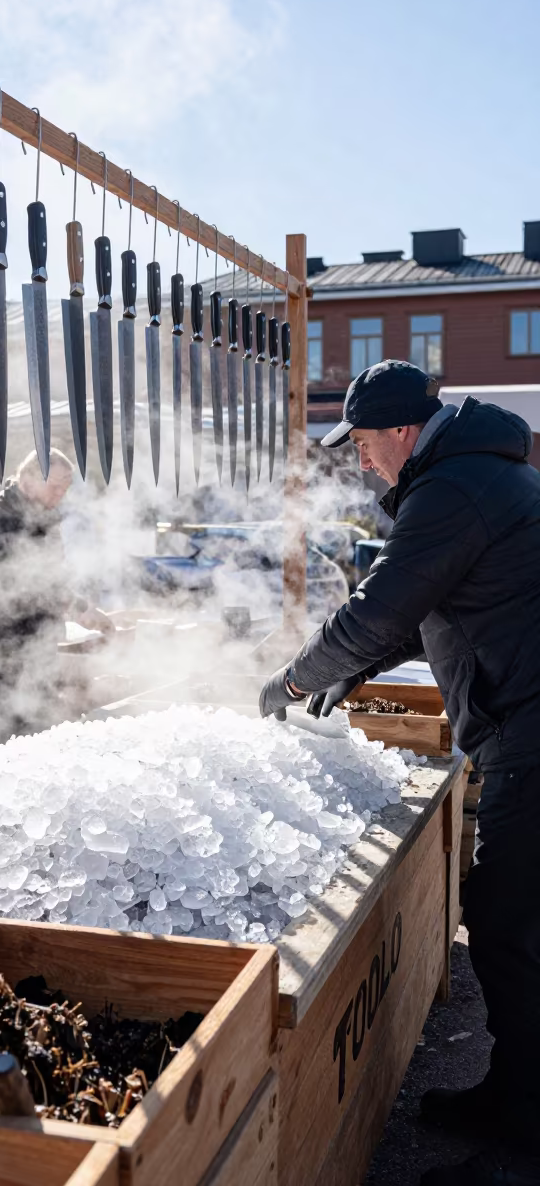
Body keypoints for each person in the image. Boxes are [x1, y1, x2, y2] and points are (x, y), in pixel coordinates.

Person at [259, 360, 540, 1186]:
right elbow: (433, 613)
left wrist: (296, 679)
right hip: (521, 715)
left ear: (403, 433)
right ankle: (511, 1094)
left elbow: (379, 605)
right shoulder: (475, 478)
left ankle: (525, 1144)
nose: (361, 461)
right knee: (507, 918)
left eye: (366, 445)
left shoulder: (450, 491)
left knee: (510, 927)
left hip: (532, 722)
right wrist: (357, 667)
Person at [0, 448, 115, 744]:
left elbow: (51, 581)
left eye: (65, 488)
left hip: (36, 648)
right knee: (1, 739)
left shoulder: (43, 518)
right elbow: (10, 591)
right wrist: (72, 607)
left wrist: (84, 608)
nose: (60, 494)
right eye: (55, 486)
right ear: (28, 479)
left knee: (36, 738)